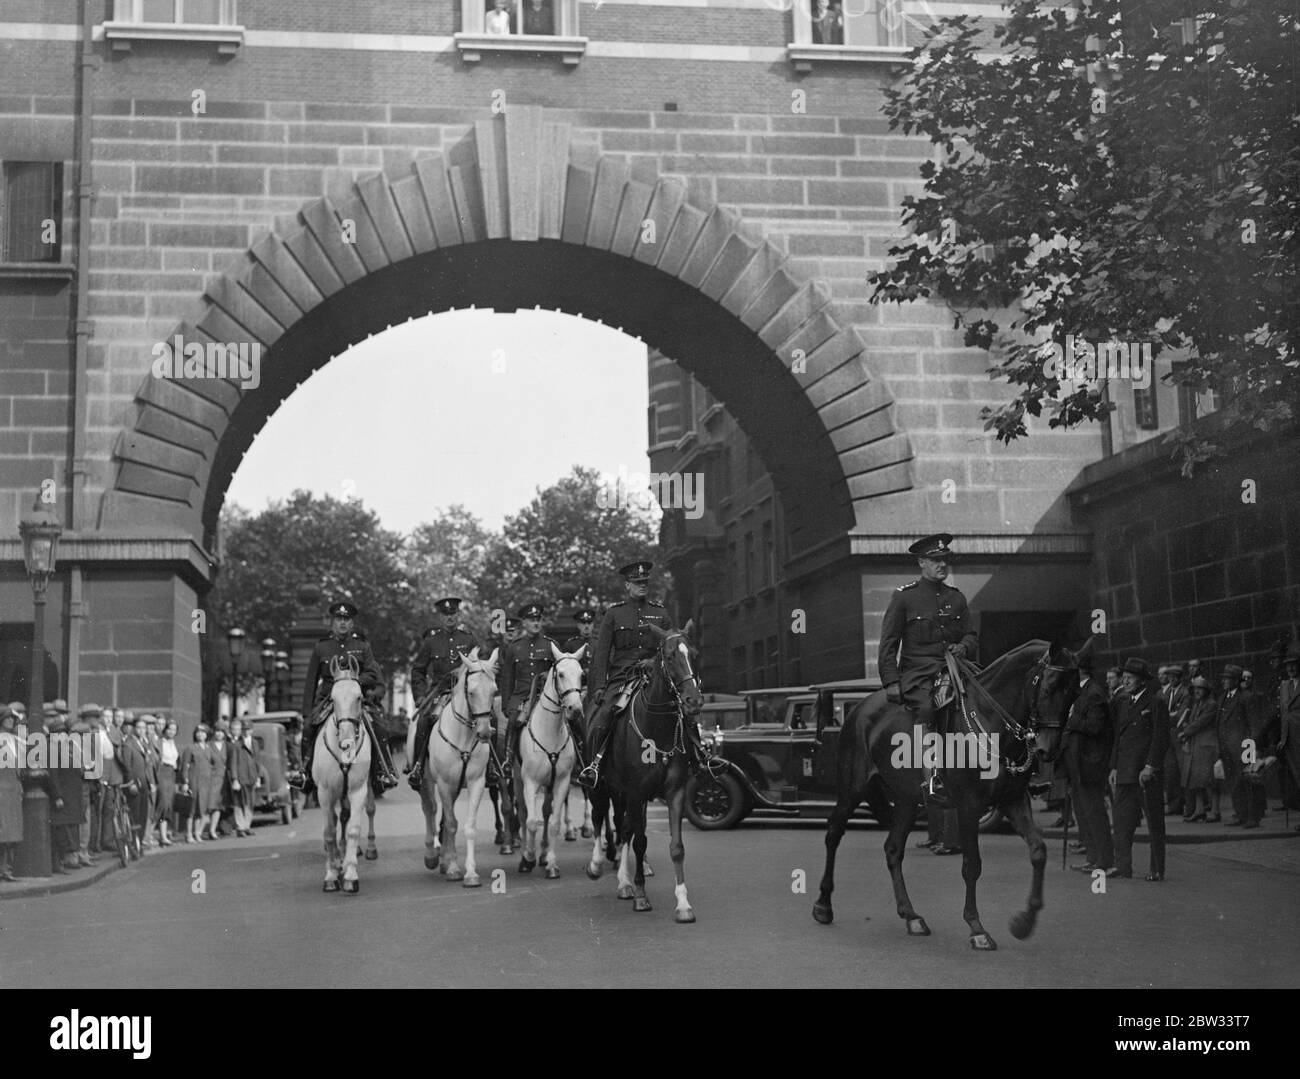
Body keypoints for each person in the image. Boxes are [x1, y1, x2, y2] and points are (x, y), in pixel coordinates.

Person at [580, 561, 711, 787]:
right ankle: (595, 765)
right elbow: (602, 654)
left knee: (684, 713)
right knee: (604, 716)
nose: (642, 586)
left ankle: (698, 759)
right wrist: (599, 686)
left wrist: (652, 661)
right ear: (627, 585)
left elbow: (672, 645)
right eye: (637, 582)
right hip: (622, 678)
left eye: (645, 582)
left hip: (654, 676)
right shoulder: (614, 614)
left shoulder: (660, 613)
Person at [877, 533, 978, 803]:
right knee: (926, 708)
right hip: (918, 674)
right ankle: (932, 778)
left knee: (985, 698)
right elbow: (888, 643)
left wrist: (964, 647)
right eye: (935, 560)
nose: (942, 565)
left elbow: (971, 635)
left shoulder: (956, 598)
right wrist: (891, 682)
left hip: (955, 668)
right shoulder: (905, 598)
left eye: (945, 560)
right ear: (922, 562)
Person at [288, 601, 398, 796]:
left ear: (352, 623)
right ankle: (305, 774)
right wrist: (306, 713)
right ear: (333, 622)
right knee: (308, 728)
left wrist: (354, 680)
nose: (342, 622)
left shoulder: (362, 646)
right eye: (339, 619)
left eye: (346, 619)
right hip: (328, 700)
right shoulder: (322, 647)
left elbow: (372, 674)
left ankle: (382, 772)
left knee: (379, 726)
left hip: (356, 699)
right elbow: (311, 682)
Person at [407, 597, 482, 790]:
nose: (450, 617)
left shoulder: (469, 639)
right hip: (440, 692)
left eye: (453, 613)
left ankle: (492, 767)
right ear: (440, 617)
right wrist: (420, 696)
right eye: (446, 614)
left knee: (489, 720)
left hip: (466, 693)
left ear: (458, 614)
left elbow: (480, 666)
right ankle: (418, 766)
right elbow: (417, 670)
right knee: (423, 721)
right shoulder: (431, 642)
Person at [1108, 657, 1168, 881]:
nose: (1125, 681)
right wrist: (1114, 767)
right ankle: (1123, 866)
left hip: (1145, 773)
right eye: (1124, 677)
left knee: (1154, 822)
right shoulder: (1124, 704)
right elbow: (1118, 738)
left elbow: (1160, 738)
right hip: (1125, 772)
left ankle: (1157, 869)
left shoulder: (1155, 703)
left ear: (1142, 680)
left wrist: (1150, 766)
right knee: (1121, 821)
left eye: (1130, 678)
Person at [498, 602, 561, 768]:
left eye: (538, 620)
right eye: (532, 620)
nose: (536, 623)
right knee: (513, 721)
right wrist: (506, 705)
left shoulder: (551, 645)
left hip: (545, 696)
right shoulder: (515, 647)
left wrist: (549, 675)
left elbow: (560, 672)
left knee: (571, 721)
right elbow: (507, 679)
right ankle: (508, 760)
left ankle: (581, 757)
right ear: (524, 623)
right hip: (521, 698)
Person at [1066, 656, 1114, 873]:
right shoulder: (1082, 691)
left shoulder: (1094, 693)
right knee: (1086, 813)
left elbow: (1095, 727)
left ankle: (1103, 859)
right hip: (1080, 763)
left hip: (1090, 762)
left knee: (1095, 813)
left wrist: (1071, 720)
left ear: (1080, 671)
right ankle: (1093, 856)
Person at [46, 703, 84, 874]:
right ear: (53, 736)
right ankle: (59, 862)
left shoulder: (66, 750)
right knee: (60, 832)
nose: (62, 736)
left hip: (72, 796)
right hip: (63, 797)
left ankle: (63, 861)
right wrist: (57, 796)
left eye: (63, 733)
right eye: (58, 734)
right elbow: (52, 776)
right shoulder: (52, 751)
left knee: (66, 830)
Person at [1215, 663, 1255, 827]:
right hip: (1226, 748)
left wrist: (1250, 748)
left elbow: (1253, 724)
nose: (1223, 681)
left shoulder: (1246, 697)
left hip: (1243, 748)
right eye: (1224, 678)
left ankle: (1252, 817)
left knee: (1247, 782)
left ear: (1236, 680)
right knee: (1233, 782)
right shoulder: (1223, 698)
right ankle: (1240, 814)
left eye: (1227, 678)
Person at [1178, 676, 1219, 821]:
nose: (1197, 691)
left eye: (1200, 688)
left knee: (1210, 780)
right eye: (1195, 688)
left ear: (1206, 690)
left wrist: (1186, 731)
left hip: (1207, 745)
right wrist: (1186, 726)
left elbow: (1201, 722)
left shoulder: (1211, 704)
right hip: (1197, 745)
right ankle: (1199, 810)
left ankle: (1215, 811)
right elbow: (1193, 721)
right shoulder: (1196, 704)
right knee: (1196, 780)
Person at [117, 715, 153, 851]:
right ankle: (133, 842)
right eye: (139, 727)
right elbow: (127, 766)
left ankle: (140, 842)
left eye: (144, 728)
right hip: (134, 784)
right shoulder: (129, 743)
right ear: (133, 728)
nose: (141, 730)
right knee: (135, 814)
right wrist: (131, 782)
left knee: (143, 814)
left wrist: (150, 782)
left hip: (144, 783)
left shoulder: (144, 743)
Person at [1276, 645, 1300, 824]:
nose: (1291, 668)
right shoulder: (1284, 686)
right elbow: (1284, 713)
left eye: (1294, 664)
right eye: (1288, 665)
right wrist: (1283, 738)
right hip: (1290, 740)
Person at [0, 705, 24, 881]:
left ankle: (6, 868)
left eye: (12, 718)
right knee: (3, 831)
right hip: (2, 789)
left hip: (14, 789)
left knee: (12, 832)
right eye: (7, 718)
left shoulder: (15, 740)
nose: (10, 720)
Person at [179, 726, 214, 843]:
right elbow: (185, 766)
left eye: (203, 733)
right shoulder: (190, 748)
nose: (200, 735)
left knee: (201, 808)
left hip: (205, 783)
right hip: (194, 781)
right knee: (191, 808)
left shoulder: (209, 748)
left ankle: (197, 832)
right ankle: (188, 833)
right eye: (198, 733)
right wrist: (185, 781)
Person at [1161, 664, 1188, 816]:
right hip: (1168, 735)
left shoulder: (1185, 693)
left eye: (1174, 677)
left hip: (1179, 735)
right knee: (1170, 771)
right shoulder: (1166, 693)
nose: (1171, 680)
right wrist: (1170, 715)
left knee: (1183, 770)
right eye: (1169, 677)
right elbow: (1161, 712)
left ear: (1179, 678)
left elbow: (1180, 715)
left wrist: (1169, 715)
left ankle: (1188, 804)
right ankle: (1174, 804)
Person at [228, 718, 260, 837]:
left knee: (250, 802)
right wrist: (235, 779)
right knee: (239, 802)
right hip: (241, 777)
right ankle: (240, 827)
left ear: (252, 730)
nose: (246, 732)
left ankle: (247, 826)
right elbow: (233, 762)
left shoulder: (255, 743)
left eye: (248, 729)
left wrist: (258, 777)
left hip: (252, 776)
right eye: (244, 729)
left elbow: (257, 761)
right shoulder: (237, 744)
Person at [153, 719, 178, 846]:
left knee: (168, 806)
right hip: (162, 772)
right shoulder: (159, 742)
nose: (171, 732)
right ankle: (149, 832)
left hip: (171, 773)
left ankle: (163, 835)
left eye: (174, 730)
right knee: (161, 804)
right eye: (169, 729)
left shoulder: (173, 743)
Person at [561, 607, 597, 690]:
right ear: (578, 625)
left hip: (595, 687)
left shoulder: (599, 644)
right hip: (576, 687)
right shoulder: (570, 645)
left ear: (593, 624)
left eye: (589, 623)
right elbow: (564, 669)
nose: (586, 626)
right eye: (583, 623)